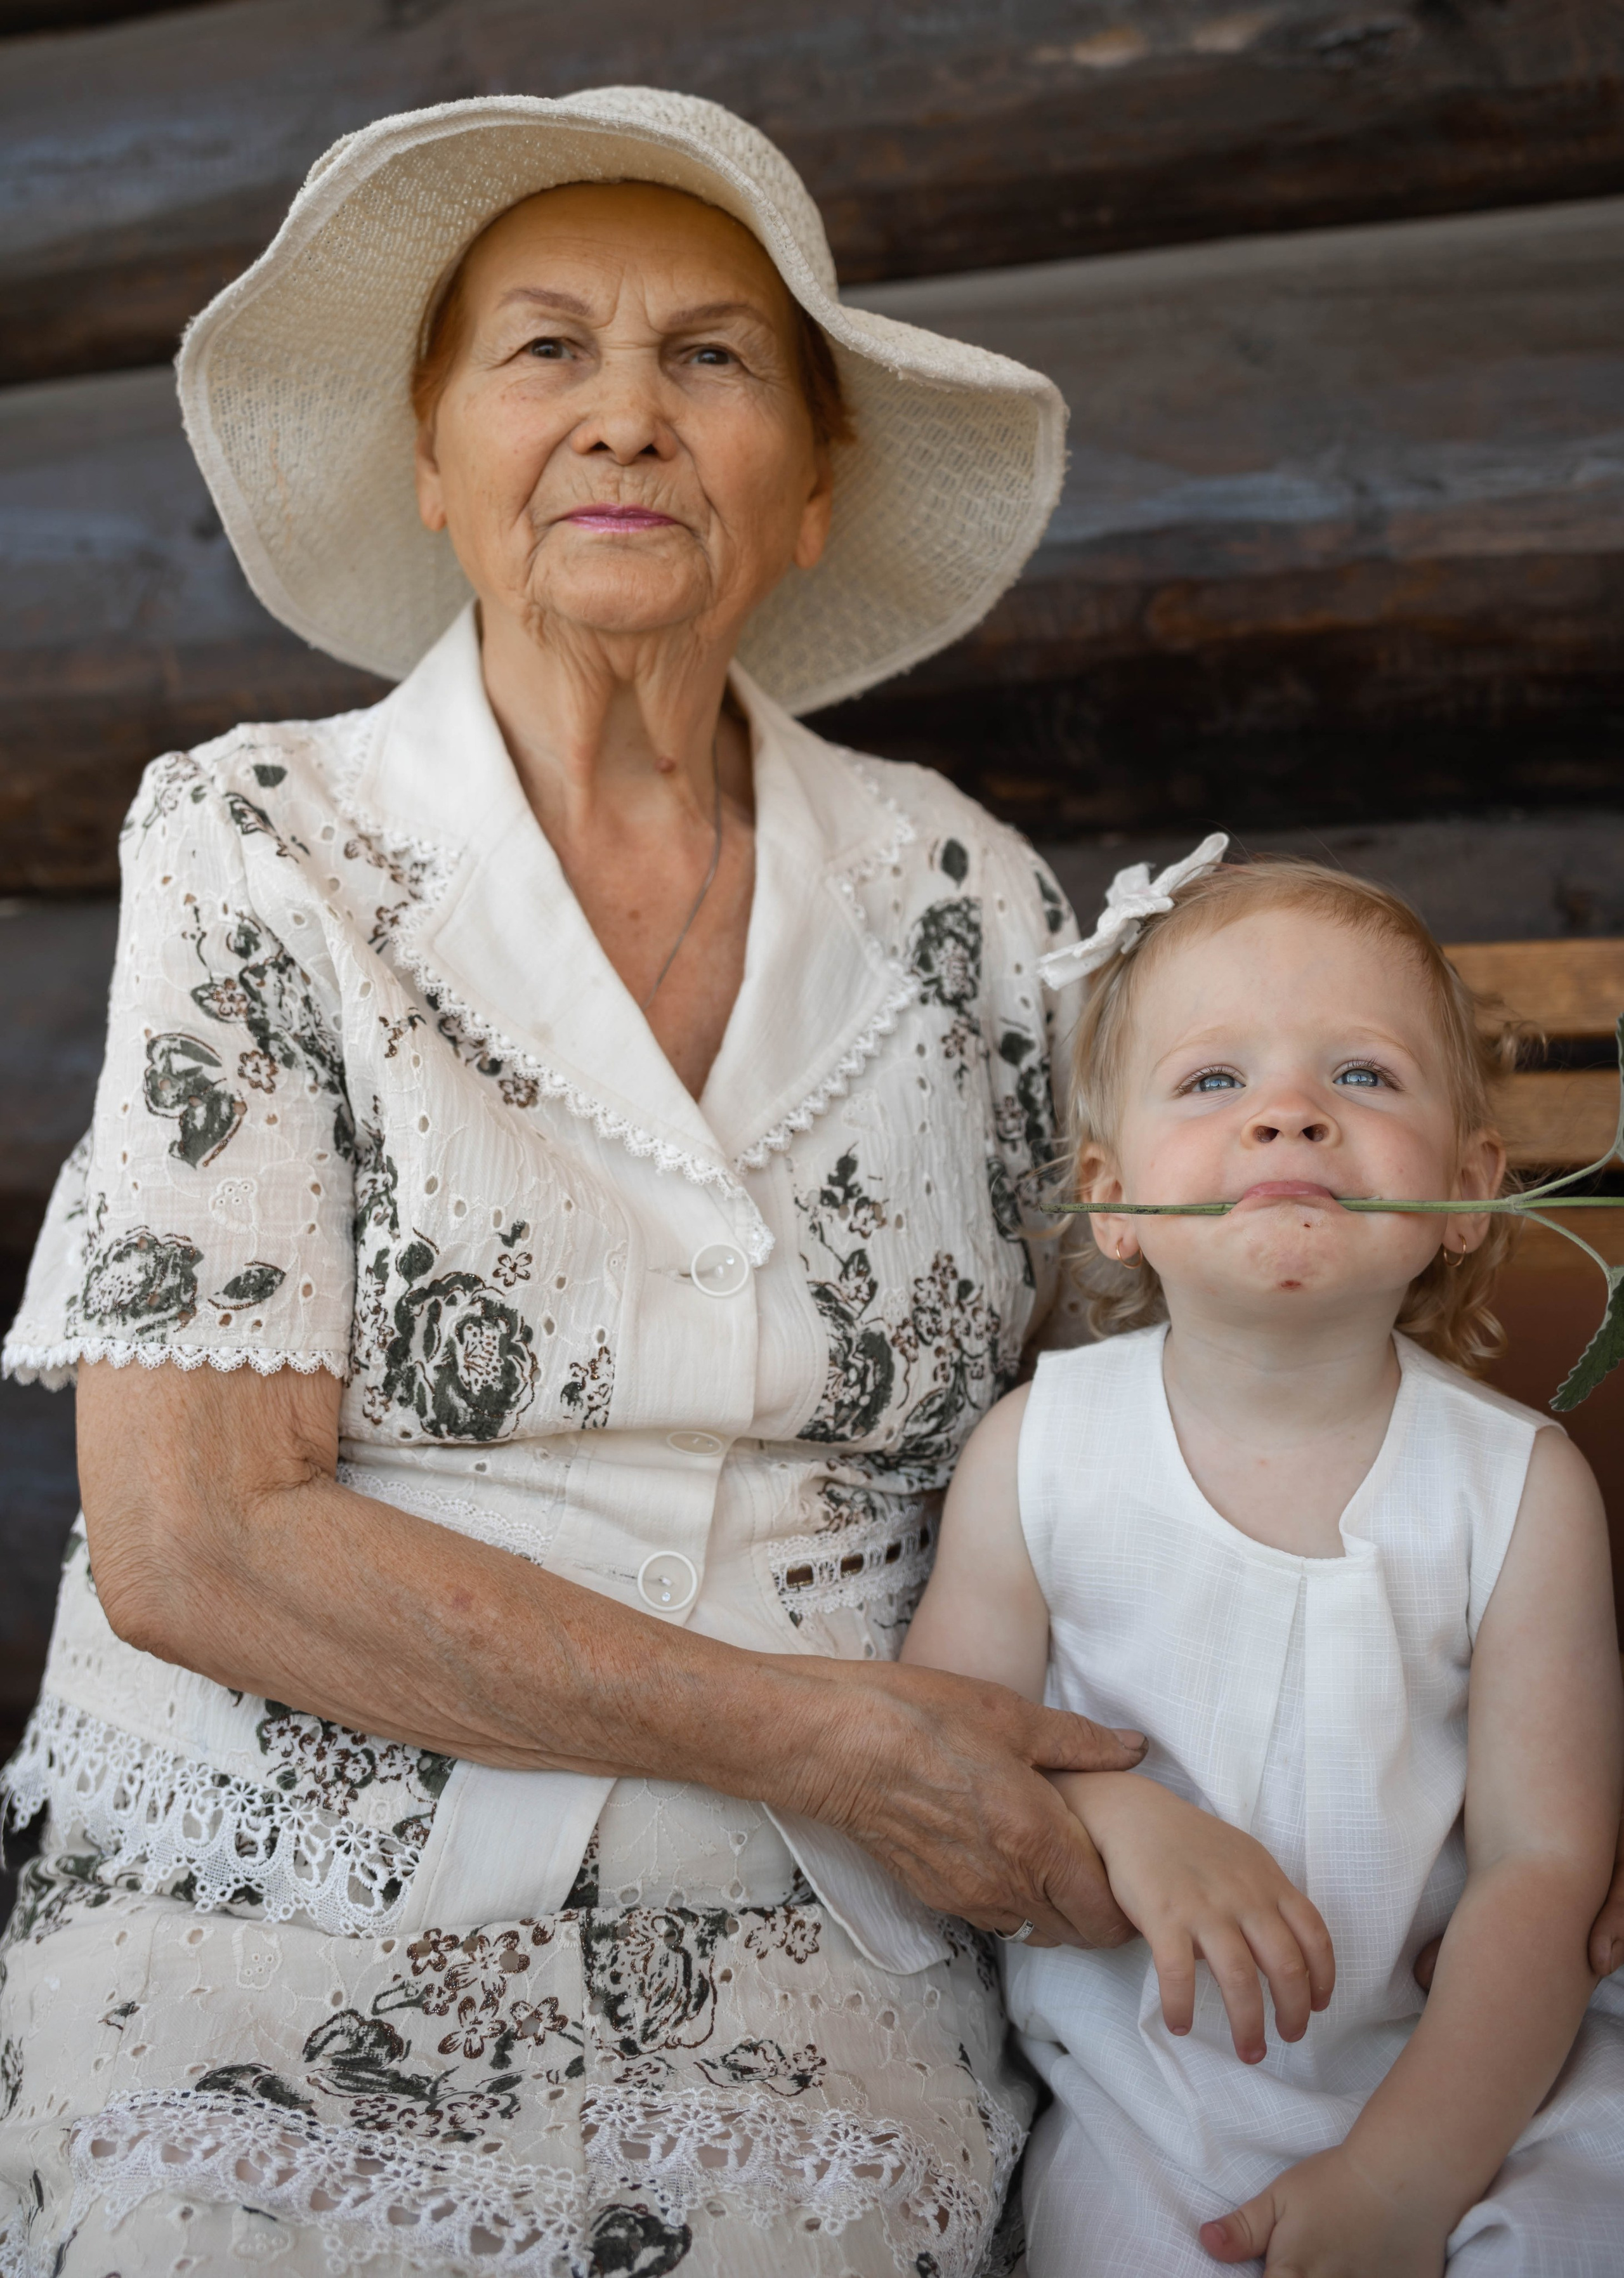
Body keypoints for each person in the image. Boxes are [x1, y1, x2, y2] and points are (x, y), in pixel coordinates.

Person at [0, 89, 1146, 2277]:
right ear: (434, 465)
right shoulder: (260, 843)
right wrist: (830, 1739)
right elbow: (194, 1538)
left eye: (711, 357)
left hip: (824, 1918)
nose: (628, 413)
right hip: (280, 1883)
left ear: (812, 488)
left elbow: (1130, 1418)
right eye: (546, 351)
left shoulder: (966, 899)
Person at [903, 844, 1624, 2276]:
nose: (1288, 1111)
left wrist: (1407, 2175)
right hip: (1150, 2099)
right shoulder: (1040, 1453)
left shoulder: (1518, 1488)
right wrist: (1118, 1813)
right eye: (1213, 1079)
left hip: (1481, 2073)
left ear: (1467, 1189)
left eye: (1361, 1075)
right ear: (1112, 1198)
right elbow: (946, 1744)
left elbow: (1543, 1868)